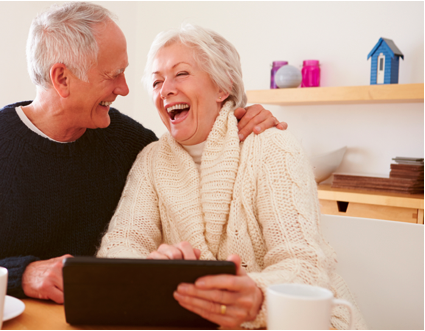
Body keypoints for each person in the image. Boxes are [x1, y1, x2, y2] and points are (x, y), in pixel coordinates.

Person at [0, 2, 285, 304]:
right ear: (62, 79)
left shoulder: (127, 142)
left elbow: (188, 159)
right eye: (112, 75)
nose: (124, 89)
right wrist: (24, 275)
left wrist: (236, 117)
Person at [96, 23, 366, 330]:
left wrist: (259, 296)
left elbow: (305, 265)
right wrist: (151, 269)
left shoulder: (271, 146)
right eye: (157, 82)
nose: (165, 89)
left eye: (181, 73)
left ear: (223, 87)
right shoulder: (151, 160)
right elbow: (119, 246)